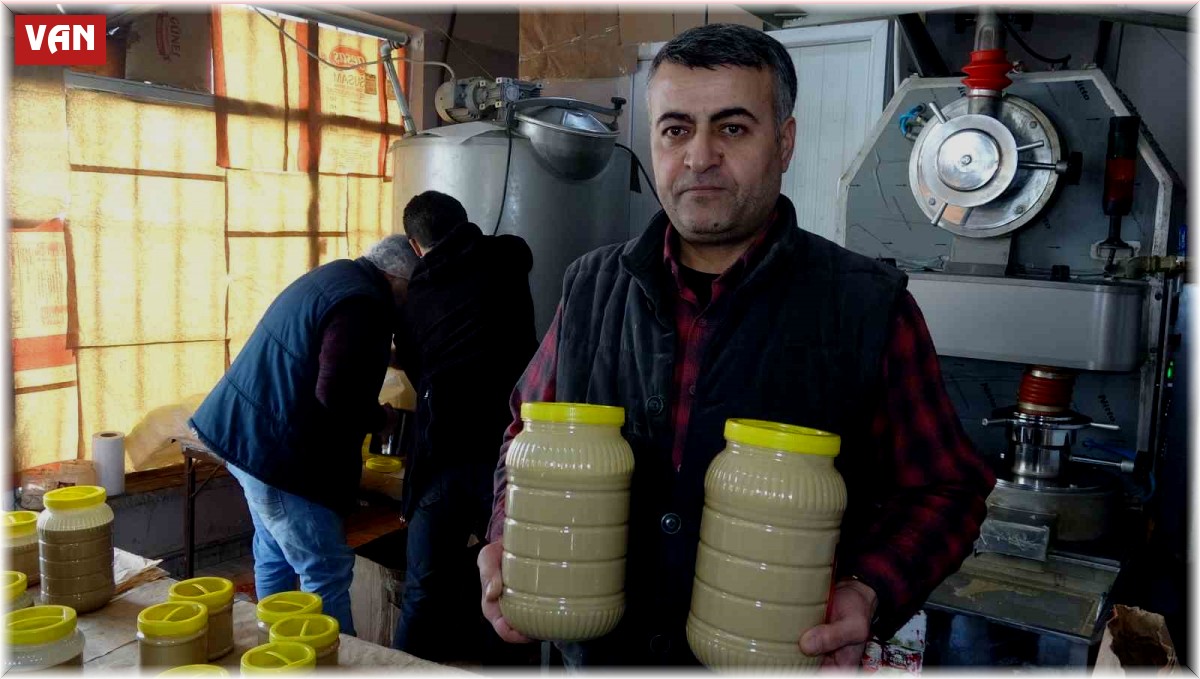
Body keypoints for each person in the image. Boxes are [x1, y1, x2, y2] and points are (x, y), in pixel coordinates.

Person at [477, 23, 996, 668]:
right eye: (675, 129)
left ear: (785, 142)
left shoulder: (866, 306)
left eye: (731, 128)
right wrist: (508, 536)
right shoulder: (590, 287)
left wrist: (868, 590)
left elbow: (946, 491)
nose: (698, 157)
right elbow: (522, 434)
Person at [189, 236, 419, 637]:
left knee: (275, 555)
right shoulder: (365, 304)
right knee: (325, 570)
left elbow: (325, 343)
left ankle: (275, 656)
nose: (408, 306)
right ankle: (334, 666)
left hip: (247, 436)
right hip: (277, 454)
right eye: (408, 293)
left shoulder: (338, 277)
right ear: (394, 278)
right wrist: (378, 419)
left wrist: (390, 355)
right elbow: (337, 390)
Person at [392, 191, 538, 661]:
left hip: (445, 457)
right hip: (515, 451)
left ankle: (404, 670)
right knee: (508, 586)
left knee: (424, 588)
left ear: (416, 246)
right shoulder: (508, 259)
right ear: (466, 223)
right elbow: (520, 249)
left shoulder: (418, 292)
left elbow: (416, 369)